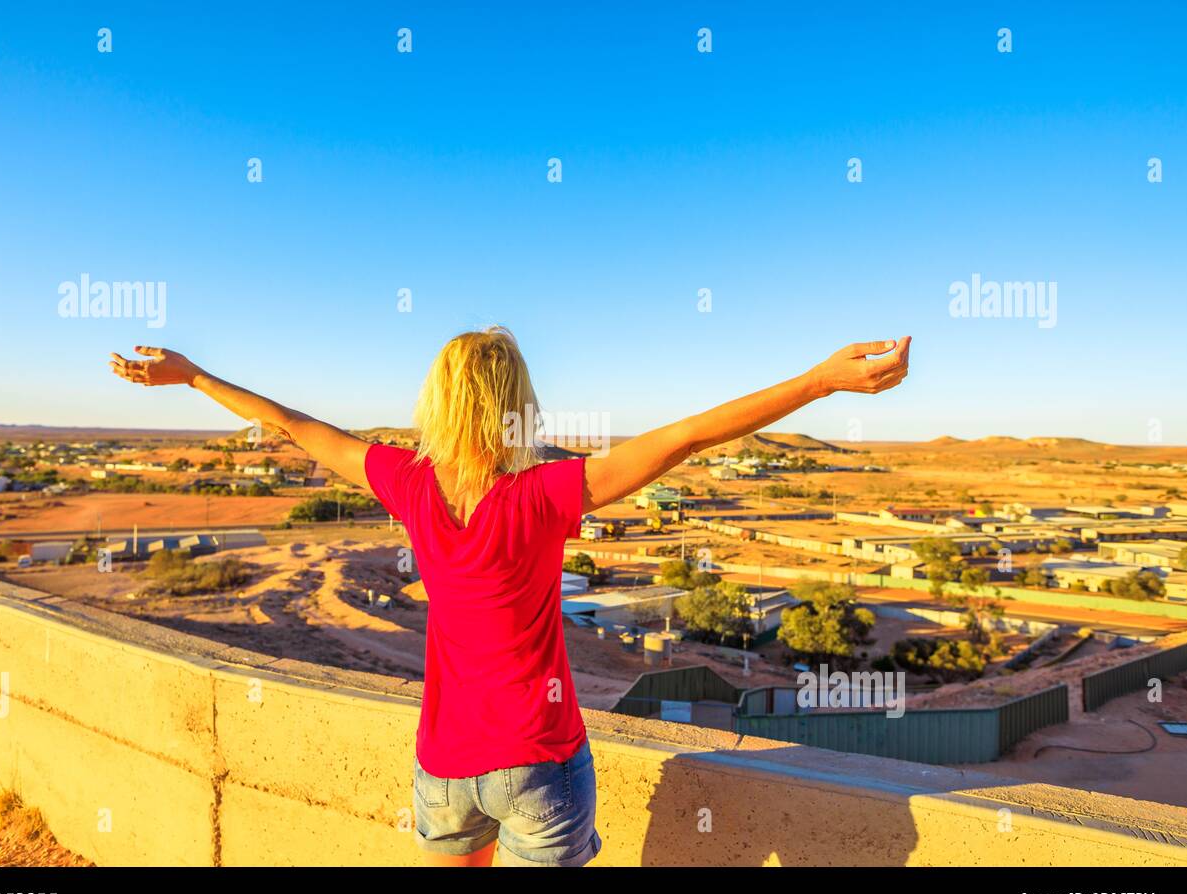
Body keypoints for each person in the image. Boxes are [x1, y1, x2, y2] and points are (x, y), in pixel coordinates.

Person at [109, 328, 911, 866]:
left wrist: (193, 376)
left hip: (443, 765)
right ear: (514, 401)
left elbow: (293, 425)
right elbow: (687, 436)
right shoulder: (545, 494)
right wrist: (816, 382)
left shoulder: (406, 482)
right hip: (538, 760)